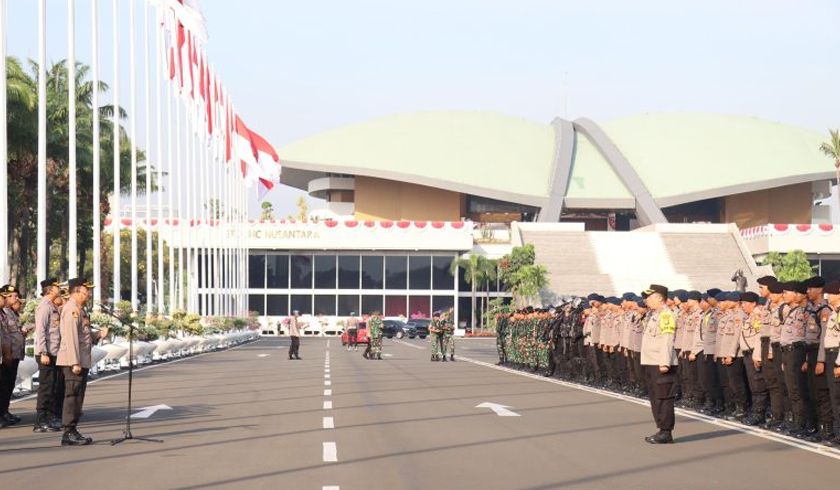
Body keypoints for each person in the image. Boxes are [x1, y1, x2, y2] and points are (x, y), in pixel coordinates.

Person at [56, 278, 107, 446]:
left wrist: (98, 335)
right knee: (72, 396)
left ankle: (73, 430)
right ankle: (68, 432)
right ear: (76, 291)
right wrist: (74, 362)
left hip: (81, 359)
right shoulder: (72, 310)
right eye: (86, 291)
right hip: (74, 361)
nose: (89, 294)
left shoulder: (80, 309)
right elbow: (70, 338)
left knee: (78, 396)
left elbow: (83, 336)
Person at [640, 284, 679, 444]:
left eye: (649, 297)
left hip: (660, 363)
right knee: (656, 397)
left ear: (658, 298)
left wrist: (664, 362)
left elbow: (667, 339)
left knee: (663, 397)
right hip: (651, 361)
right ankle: (661, 429)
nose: (646, 300)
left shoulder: (666, 315)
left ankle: (665, 431)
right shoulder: (654, 315)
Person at [33, 278, 64, 433]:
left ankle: (49, 418)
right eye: (57, 287)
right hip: (46, 353)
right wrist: (43, 352)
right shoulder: (44, 306)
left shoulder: (52, 306)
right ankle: (40, 421)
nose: (60, 289)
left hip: (53, 352)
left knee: (52, 387)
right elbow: (40, 331)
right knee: (45, 388)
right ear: (50, 289)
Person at [0, 285, 25, 427]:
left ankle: (4, 411)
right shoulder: (5, 313)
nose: (16, 299)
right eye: (13, 296)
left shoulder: (7, 313)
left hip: (11, 354)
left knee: (7, 385)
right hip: (5, 356)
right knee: (3, 385)